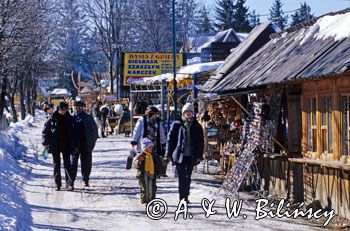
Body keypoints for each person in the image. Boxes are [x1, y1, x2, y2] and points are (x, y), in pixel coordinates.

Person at [166, 102, 204, 203]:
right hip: (179, 155)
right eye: (186, 111)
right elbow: (171, 140)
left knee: (188, 177)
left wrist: (199, 156)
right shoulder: (177, 124)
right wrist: (168, 154)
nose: (188, 113)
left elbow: (201, 142)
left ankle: (186, 196)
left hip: (191, 156)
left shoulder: (197, 126)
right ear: (183, 113)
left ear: (193, 113)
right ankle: (182, 198)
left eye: (190, 111)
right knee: (182, 177)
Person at [42, 101, 76, 191]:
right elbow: (45, 131)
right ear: (58, 109)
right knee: (56, 165)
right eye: (62, 109)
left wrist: (75, 144)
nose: (63, 111)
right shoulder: (52, 118)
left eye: (65, 109)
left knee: (67, 164)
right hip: (55, 144)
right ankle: (58, 184)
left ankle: (69, 183)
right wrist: (45, 142)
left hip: (66, 145)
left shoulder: (70, 118)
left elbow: (74, 133)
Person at [131, 106, 167, 174]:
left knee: (155, 158)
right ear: (151, 113)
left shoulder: (158, 121)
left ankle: (154, 172)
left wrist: (163, 142)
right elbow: (137, 131)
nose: (156, 115)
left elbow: (161, 132)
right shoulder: (142, 120)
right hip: (144, 144)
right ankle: (143, 171)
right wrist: (134, 140)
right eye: (155, 114)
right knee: (144, 158)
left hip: (154, 144)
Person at [71, 100, 98, 187]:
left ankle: (85, 179)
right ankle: (71, 180)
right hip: (74, 145)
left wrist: (92, 143)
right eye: (76, 107)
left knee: (86, 163)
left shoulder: (88, 118)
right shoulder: (71, 118)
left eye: (79, 107)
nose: (78, 109)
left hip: (85, 144)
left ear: (83, 108)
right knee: (72, 163)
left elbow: (94, 131)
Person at [133, 138, 159, 204]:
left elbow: (158, 162)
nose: (151, 148)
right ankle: (145, 200)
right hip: (143, 174)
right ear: (145, 148)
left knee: (152, 187)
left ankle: (152, 199)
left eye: (152, 147)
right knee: (144, 188)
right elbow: (135, 163)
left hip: (152, 173)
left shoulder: (153, 155)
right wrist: (139, 162)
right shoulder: (140, 155)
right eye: (150, 147)